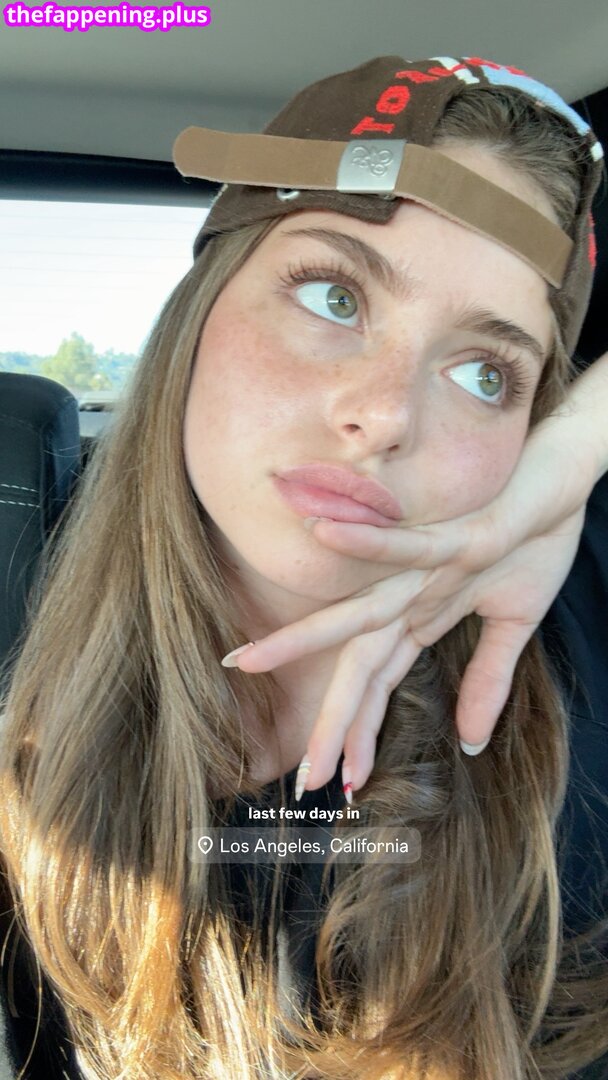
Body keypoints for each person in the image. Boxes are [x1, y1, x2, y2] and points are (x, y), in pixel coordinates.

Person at [0, 54, 607, 1080]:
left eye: (484, 374)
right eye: (333, 295)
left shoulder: (570, 611)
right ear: (202, 306)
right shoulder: (17, 617)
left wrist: (575, 451)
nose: (385, 414)